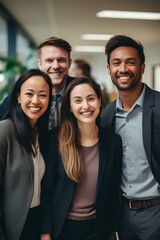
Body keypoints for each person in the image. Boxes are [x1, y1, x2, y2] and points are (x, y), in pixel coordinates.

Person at [40, 77, 122, 240]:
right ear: (70, 107)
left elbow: (113, 190)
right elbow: (46, 191)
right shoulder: (56, 139)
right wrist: (45, 232)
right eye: (78, 101)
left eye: (91, 98)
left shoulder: (112, 141)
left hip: (99, 229)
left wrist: (113, 231)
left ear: (99, 101)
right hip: (63, 228)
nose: (86, 106)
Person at [101, 35, 160, 240]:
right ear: (109, 69)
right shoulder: (106, 116)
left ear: (142, 68)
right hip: (124, 214)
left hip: (156, 211)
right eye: (116, 63)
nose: (123, 69)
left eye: (131, 62)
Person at [0, 69, 52, 240]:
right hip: (12, 226)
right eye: (29, 94)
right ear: (18, 97)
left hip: (35, 221)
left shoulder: (41, 134)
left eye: (43, 95)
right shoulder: (5, 130)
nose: (36, 101)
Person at [0, 36, 75, 128]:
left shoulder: (81, 89)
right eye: (49, 60)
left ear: (69, 63)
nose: (55, 66)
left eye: (61, 60)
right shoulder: (25, 90)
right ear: (39, 64)